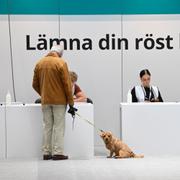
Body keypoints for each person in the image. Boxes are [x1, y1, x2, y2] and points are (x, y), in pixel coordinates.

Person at [32, 45, 77, 161]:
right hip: (59, 101)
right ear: (60, 53)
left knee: (47, 126)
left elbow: (34, 84)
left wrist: (43, 94)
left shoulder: (39, 63)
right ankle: (58, 153)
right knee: (58, 126)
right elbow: (67, 86)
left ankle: (46, 153)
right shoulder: (61, 63)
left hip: (45, 101)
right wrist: (71, 103)